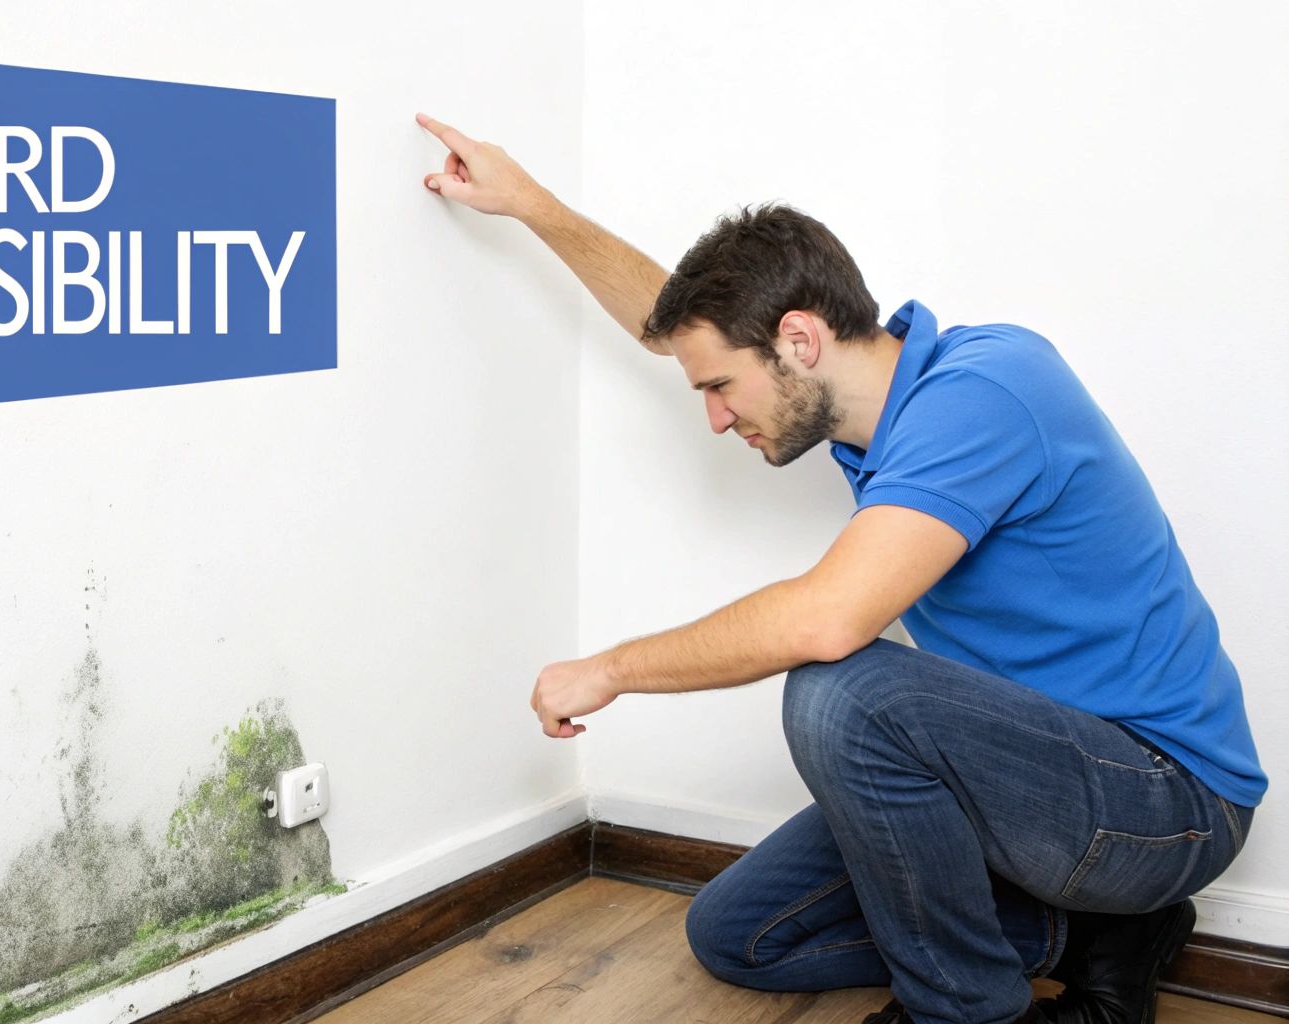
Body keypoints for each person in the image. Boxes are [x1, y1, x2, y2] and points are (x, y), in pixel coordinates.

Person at [413, 112, 1265, 1024]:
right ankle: (1102, 936)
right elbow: (677, 328)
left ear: (799, 340)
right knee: (740, 933)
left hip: (1165, 799)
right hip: (1022, 783)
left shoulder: (985, 391)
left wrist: (611, 669)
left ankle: (966, 1012)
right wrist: (533, 204)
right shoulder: (863, 411)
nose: (714, 417)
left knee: (841, 690)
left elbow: (824, 621)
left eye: (719, 389)